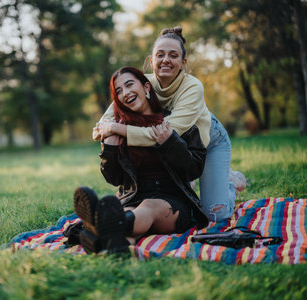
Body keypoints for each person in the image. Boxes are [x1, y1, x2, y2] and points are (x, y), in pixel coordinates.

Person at [92, 27, 246, 223]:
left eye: (173, 55)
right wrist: (105, 133)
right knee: (180, 191)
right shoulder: (139, 84)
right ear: (151, 61)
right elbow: (101, 125)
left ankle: (229, 182)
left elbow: (161, 134)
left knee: (216, 214)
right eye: (160, 55)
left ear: (183, 63)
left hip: (207, 139)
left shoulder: (192, 86)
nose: (166, 60)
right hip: (175, 146)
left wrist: (116, 129)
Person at [73, 66, 209, 254]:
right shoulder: (117, 128)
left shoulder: (174, 123)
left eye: (129, 85)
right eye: (119, 91)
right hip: (132, 199)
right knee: (126, 230)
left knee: (148, 206)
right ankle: (111, 244)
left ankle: (100, 224)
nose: (125, 93)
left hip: (172, 203)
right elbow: (114, 179)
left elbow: (193, 169)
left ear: (146, 88)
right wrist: (110, 149)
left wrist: (170, 142)